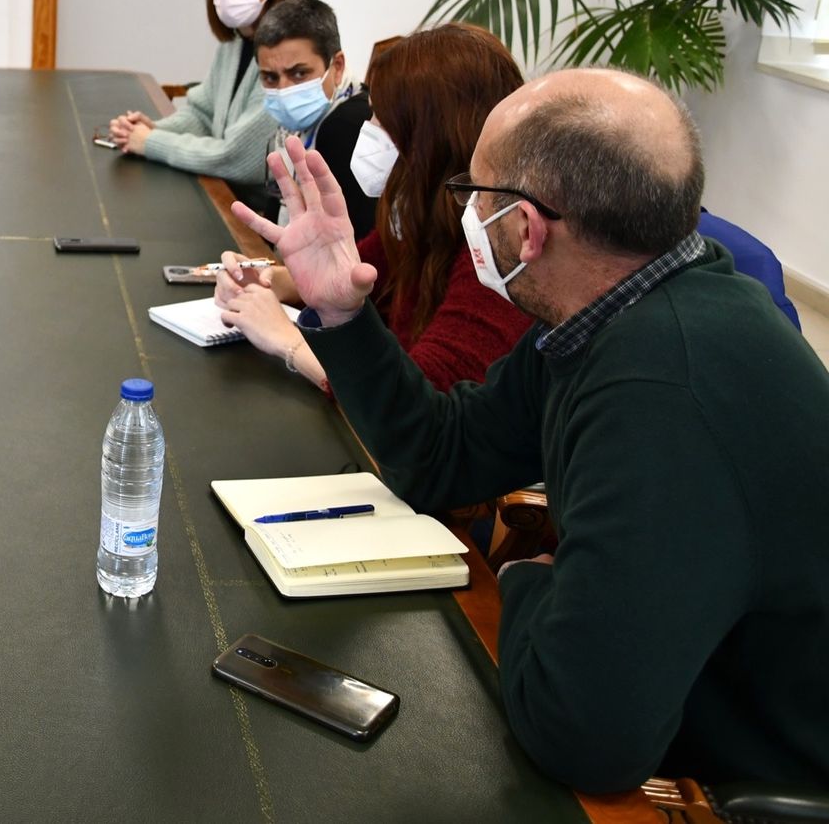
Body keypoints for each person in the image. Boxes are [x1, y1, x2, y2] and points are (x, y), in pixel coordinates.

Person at [230, 68, 829, 792]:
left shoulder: (660, 392)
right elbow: (442, 455)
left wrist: (523, 581)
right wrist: (343, 314)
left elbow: (584, 740)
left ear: (527, 227)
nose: (465, 213)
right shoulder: (617, 310)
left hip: (745, 789)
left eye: (473, 193)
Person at [216, 23, 531, 391]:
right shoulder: (420, 216)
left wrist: (286, 339)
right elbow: (352, 276)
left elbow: (420, 395)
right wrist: (270, 281)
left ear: (430, 134)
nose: (367, 129)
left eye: (380, 118)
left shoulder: (497, 249)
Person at [105, 0, 294, 189]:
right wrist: (154, 129)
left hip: (259, 213)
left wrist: (150, 142)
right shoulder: (235, 41)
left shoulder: (285, 57)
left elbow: (238, 158)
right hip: (226, 192)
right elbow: (204, 116)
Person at [248, 0, 376, 236]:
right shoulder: (300, 121)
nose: (284, 89)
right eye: (270, 78)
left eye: (299, 73)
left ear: (337, 66)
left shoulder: (346, 125)